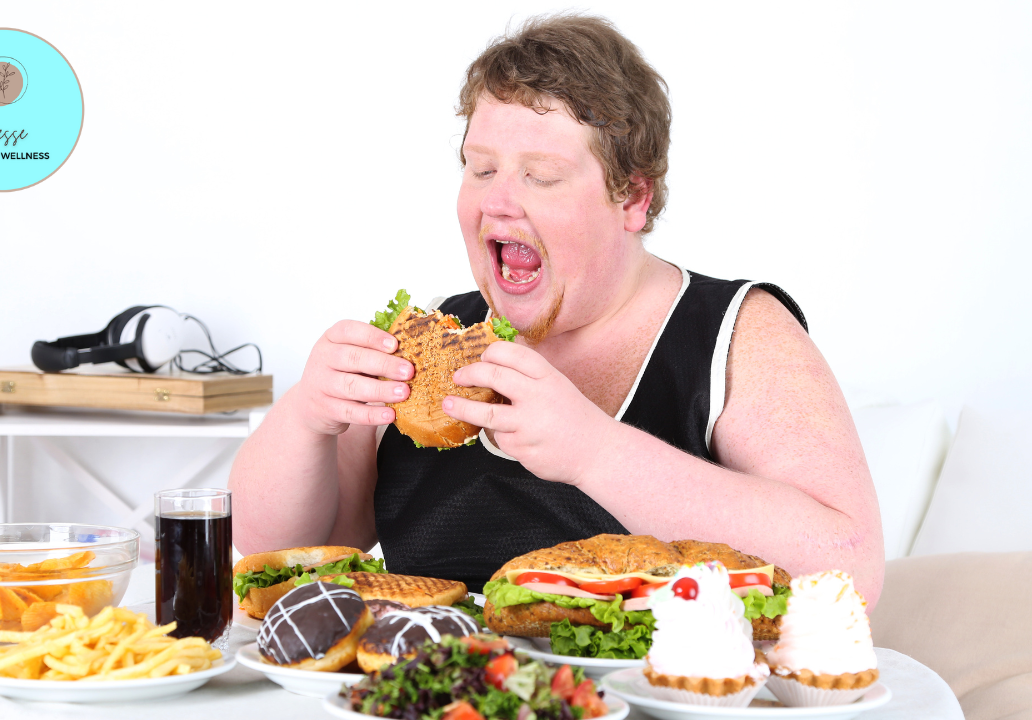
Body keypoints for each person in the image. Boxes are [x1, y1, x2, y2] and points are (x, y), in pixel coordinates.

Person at [230, 14, 884, 606]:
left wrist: (594, 453)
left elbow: (850, 572)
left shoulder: (735, 331)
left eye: (539, 176)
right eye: (481, 170)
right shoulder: (437, 331)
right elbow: (273, 544)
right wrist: (309, 415)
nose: (498, 203)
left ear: (631, 198)